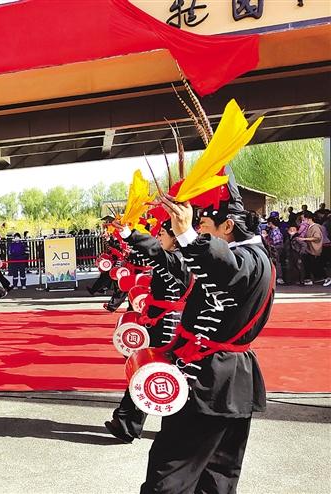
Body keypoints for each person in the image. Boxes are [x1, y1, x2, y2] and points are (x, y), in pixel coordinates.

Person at [142, 156, 275, 492]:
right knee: (217, 477)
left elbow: (222, 265)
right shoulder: (257, 259)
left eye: (206, 226)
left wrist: (186, 233)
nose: (202, 231)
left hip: (211, 382)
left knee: (169, 474)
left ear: (227, 226)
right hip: (229, 381)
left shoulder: (247, 261)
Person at [105, 220, 188, 443]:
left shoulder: (176, 259)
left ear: (175, 236)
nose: (159, 237)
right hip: (166, 322)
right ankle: (127, 423)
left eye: (162, 233)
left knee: (151, 371)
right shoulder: (181, 259)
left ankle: (128, 424)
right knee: (151, 372)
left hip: (167, 325)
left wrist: (129, 233)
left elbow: (153, 251)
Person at [296, 211, 326, 285]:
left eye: (303, 219)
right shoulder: (310, 227)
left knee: (315, 266)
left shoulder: (315, 227)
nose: (303, 221)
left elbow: (317, 237)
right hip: (310, 249)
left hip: (315, 250)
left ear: (308, 219)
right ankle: (310, 279)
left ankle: (323, 278)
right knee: (310, 265)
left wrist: (304, 239)